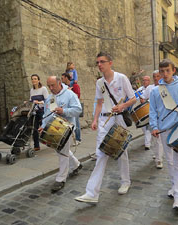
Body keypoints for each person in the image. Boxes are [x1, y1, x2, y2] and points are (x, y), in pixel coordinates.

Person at [75, 52, 136, 203]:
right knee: (101, 153)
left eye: (102, 61)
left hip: (119, 118)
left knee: (121, 152)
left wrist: (122, 105)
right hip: (104, 119)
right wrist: (95, 120)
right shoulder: (99, 83)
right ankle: (92, 193)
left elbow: (133, 98)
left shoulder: (121, 78)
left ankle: (125, 181)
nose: (99, 65)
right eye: (98, 62)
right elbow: (100, 102)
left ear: (110, 63)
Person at [149, 59, 178, 211]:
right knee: (170, 162)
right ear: (159, 72)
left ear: (173, 70)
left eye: (168, 70)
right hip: (164, 130)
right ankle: (174, 187)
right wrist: (154, 126)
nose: (165, 74)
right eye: (162, 71)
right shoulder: (155, 91)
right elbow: (152, 110)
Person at [39, 76, 82, 192]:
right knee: (62, 150)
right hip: (54, 128)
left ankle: (61, 179)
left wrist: (64, 111)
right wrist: (43, 126)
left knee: (62, 152)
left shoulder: (70, 94)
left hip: (67, 127)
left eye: (53, 85)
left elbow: (78, 110)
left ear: (59, 83)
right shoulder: (50, 98)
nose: (50, 88)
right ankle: (76, 164)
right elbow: (46, 114)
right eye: (49, 86)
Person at [142, 70, 164, 169]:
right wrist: (146, 102)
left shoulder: (164, 87)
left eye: (158, 76)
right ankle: (157, 154)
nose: (156, 78)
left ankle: (159, 160)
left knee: (159, 139)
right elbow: (142, 98)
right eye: (154, 76)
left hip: (162, 117)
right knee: (155, 138)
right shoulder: (150, 88)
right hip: (153, 116)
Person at [30, 74, 49, 151]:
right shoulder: (32, 90)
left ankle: (50, 141)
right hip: (34, 112)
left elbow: (47, 100)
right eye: (32, 79)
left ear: (38, 80)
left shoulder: (43, 89)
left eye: (35, 79)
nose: (33, 80)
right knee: (34, 128)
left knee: (44, 127)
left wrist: (39, 102)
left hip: (42, 111)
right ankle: (36, 145)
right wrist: (29, 102)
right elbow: (31, 100)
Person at [61, 72, 81, 146]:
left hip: (74, 107)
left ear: (66, 78)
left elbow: (77, 96)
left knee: (77, 124)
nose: (61, 80)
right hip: (67, 108)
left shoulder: (75, 85)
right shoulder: (64, 87)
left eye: (62, 78)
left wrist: (70, 91)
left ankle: (78, 139)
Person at [136, 76, 153, 151]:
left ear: (149, 81)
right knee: (143, 127)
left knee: (147, 128)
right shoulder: (140, 89)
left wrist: (146, 101)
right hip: (141, 111)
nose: (144, 81)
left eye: (146, 80)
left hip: (149, 110)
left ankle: (147, 144)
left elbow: (152, 98)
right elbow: (135, 97)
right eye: (143, 80)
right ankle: (148, 140)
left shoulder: (152, 88)